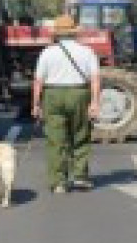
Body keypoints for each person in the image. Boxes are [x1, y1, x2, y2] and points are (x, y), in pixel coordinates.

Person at [32, 14, 100, 194]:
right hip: (79, 93)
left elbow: (38, 81)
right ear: (74, 32)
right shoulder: (87, 51)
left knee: (56, 140)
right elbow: (95, 79)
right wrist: (94, 102)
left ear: (57, 34)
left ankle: (58, 182)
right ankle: (80, 177)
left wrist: (36, 104)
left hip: (53, 94)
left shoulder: (47, 52)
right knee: (80, 134)